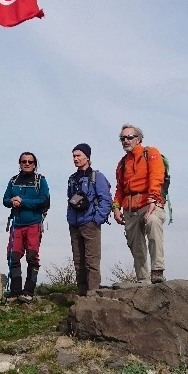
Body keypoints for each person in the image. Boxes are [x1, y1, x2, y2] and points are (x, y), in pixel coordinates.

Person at [113, 124, 167, 283]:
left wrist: (153, 198)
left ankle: (157, 270)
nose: (125, 141)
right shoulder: (122, 164)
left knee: (153, 222)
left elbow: (157, 176)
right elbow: (120, 189)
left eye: (129, 137)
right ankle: (143, 280)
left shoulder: (151, 153)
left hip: (150, 202)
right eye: (122, 138)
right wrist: (116, 207)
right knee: (135, 244)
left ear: (139, 139)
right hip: (130, 208)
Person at [2, 151, 50, 303]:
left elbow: (44, 201)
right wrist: (12, 202)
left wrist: (22, 202)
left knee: (32, 257)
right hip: (16, 223)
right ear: (20, 163)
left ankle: (28, 291)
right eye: (24, 161)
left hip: (34, 223)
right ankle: (15, 292)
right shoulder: (13, 180)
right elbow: (5, 199)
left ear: (35, 164)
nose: (27, 163)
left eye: (30, 161)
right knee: (13, 257)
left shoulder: (40, 180)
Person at [66, 144, 113, 296]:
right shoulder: (72, 179)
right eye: (74, 156)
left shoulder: (97, 176)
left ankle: (93, 294)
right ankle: (81, 293)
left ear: (87, 157)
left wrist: (96, 220)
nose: (75, 159)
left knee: (91, 261)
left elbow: (106, 200)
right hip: (74, 224)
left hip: (90, 223)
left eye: (78, 155)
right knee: (78, 261)